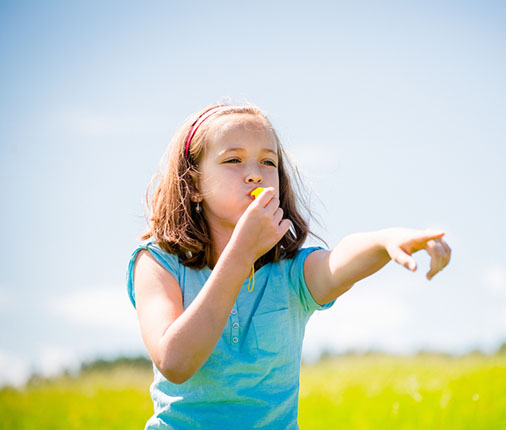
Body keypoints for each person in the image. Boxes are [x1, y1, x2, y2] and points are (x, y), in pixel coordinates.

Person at [126, 103, 451, 429]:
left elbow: (340, 259)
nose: (254, 173)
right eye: (233, 160)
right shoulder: (157, 263)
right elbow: (176, 362)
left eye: (268, 162)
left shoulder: (291, 273)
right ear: (195, 185)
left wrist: (384, 239)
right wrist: (241, 254)